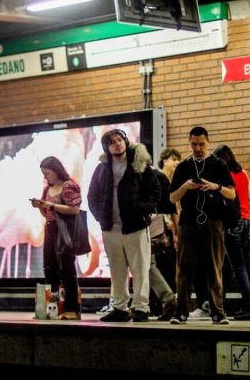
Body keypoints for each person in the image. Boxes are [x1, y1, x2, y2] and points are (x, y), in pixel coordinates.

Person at [87, 129, 160, 322]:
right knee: (117, 271)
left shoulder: (140, 165)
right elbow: (92, 196)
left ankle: (141, 308)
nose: (117, 144)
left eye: (119, 140)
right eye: (112, 142)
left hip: (135, 226)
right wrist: (100, 217)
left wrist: (141, 209)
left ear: (126, 141)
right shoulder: (102, 168)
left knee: (140, 269)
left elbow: (155, 192)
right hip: (111, 229)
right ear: (107, 147)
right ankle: (119, 308)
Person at [168, 126, 236, 325]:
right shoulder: (183, 167)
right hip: (188, 222)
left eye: (201, 144)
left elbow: (232, 194)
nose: (197, 148)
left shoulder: (218, 164)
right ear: (189, 143)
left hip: (214, 221)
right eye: (194, 144)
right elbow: (172, 197)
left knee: (214, 266)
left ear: (208, 143)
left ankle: (218, 311)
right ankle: (181, 312)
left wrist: (216, 187)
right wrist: (185, 187)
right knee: (184, 268)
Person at [30, 156, 83, 320]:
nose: (46, 177)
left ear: (56, 170)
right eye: (43, 174)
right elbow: (47, 213)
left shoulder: (69, 185)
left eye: (47, 173)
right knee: (50, 268)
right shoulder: (47, 189)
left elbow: (74, 209)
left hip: (65, 230)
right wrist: (40, 206)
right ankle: (54, 308)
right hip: (50, 228)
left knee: (67, 269)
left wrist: (50, 205)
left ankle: (71, 309)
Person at [213, 144, 250, 320]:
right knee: (233, 265)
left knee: (237, 266)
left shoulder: (225, 176)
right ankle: (219, 302)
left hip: (233, 222)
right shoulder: (243, 173)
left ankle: (249, 305)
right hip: (246, 222)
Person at [149, 148, 181, 321]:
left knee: (151, 265)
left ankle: (165, 301)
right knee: (151, 264)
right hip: (159, 228)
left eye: (178, 160)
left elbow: (173, 207)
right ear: (164, 160)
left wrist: (176, 231)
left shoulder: (163, 179)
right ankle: (161, 302)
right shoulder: (160, 177)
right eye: (173, 159)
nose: (176, 163)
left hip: (159, 229)